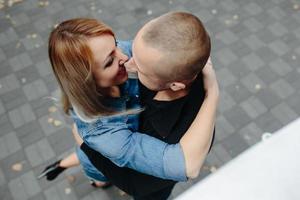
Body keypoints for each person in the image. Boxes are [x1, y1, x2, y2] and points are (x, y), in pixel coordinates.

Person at [41, 12, 218, 194]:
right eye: (110, 60)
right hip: (106, 154)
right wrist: (212, 91)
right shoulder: (101, 131)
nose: (126, 58)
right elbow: (186, 165)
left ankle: (65, 162)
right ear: (87, 80)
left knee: (87, 146)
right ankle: (83, 173)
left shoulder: (121, 54)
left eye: (115, 44)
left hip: (112, 146)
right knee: (97, 173)